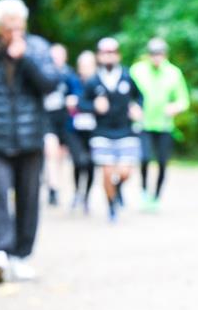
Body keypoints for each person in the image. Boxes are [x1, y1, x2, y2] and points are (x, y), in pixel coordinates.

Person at [0, 0, 60, 283]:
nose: (14, 32)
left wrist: (25, 58)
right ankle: (0, 254)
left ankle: (22, 255)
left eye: (18, 26)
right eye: (8, 27)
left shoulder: (39, 49)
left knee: (29, 199)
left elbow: (50, 84)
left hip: (31, 138)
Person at [79, 37, 144, 222]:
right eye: (105, 53)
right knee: (107, 172)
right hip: (102, 132)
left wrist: (137, 108)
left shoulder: (127, 76)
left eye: (112, 52)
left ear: (118, 55)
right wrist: (94, 106)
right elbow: (82, 103)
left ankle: (117, 190)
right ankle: (111, 205)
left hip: (126, 131)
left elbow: (140, 97)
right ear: (99, 56)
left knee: (125, 172)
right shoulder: (93, 81)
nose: (108, 56)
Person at [130, 36, 190, 211]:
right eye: (153, 54)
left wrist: (175, 107)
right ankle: (143, 192)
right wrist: (132, 107)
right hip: (143, 124)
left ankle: (156, 196)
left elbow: (183, 100)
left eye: (160, 54)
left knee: (163, 162)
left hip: (164, 125)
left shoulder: (174, 73)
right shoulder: (137, 71)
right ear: (148, 55)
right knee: (145, 158)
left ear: (165, 55)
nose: (157, 57)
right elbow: (128, 96)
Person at [42, 43, 73, 206]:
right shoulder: (42, 73)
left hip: (64, 118)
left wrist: (73, 100)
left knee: (60, 155)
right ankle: (53, 187)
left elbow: (78, 92)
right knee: (50, 151)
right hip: (47, 118)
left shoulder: (68, 75)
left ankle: (55, 185)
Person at [67, 50, 98, 213]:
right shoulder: (71, 81)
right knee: (79, 162)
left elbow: (102, 106)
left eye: (89, 65)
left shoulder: (98, 83)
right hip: (74, 129)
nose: (85, 68)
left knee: (91, 163)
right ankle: (77, 192)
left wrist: (78, 103)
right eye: (83, 65)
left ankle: (86, 196)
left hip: (93, 129)